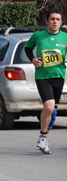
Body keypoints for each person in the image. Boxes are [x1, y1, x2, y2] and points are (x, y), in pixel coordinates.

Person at [24, 10, 67, 154]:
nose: (55, 21)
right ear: (47, 21)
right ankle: (43, 136)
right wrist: (33, 59)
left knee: (53, 111)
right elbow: (28, 48)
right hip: (43, 77)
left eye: (58, 19)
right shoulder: (38, 36)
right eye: (52, 19)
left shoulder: (65, 37)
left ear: (61, 22)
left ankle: (43, 139)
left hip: (59, 77)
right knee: (48, 107)